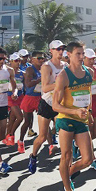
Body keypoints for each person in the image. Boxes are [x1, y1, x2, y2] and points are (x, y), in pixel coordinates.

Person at [53, 42, 94, 191]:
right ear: (68, 55)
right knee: (67, 155)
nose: (82, 56)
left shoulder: (88, 73)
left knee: (88, 160)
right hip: (66, 118)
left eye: (82, 53)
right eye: (78, 53)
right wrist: (74, 111)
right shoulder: (63, 75)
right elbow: (55, 105)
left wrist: (88, 112)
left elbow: (87, 96)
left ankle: (67, 175)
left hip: (81, 119)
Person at [28, 41, 66, 174]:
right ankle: (33, 156)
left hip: (59, 104)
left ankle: (68, 161)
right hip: (46, 103)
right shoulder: (46, 66)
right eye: (58, 49)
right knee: (42, 137)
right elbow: (45, 87)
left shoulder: (65, 66)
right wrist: (60, 83)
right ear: (51, 51)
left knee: (65, 132)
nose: (61, 51)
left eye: (62, 49)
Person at [18, 51, 44, 153]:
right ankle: (20, 141)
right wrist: (39, 80)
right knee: (27, 121)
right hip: (29, 97)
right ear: (33, 59)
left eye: (43, 58)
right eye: (39, 58)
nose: (41, 60)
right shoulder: (30, 69)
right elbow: (28, 84)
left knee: (46, 120)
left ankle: (51, 144)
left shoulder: (45, 68)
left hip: (40, 97)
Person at [3, 53, 24, 147]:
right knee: (20, 117)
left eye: (19, 60)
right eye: (16, 61)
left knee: (12, 118)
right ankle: (11, 135)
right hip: (9, 97)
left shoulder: (22, 73)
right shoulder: (6, 72)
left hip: (20, 97)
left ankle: (7, 137)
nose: (18, 63)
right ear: (10, 61)